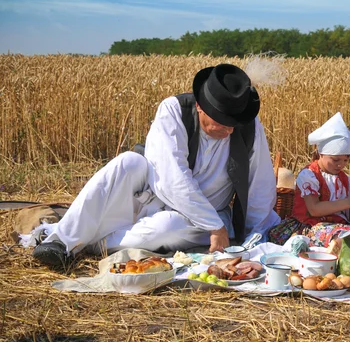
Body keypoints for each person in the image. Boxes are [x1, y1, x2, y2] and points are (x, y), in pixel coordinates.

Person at [31, 64, 281, 267]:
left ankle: (88, 241)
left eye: (232, 124)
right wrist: (215, 226)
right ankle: (60, 242)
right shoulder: (173, 110)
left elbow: (260, 181)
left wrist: (253, 236)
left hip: (197, 221)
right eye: (221, 122)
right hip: (151, 198)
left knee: (167, 227)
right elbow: (172, 179)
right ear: (200, 106)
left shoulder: (248, 126)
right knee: (128, 162)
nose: (228, 130)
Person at [268, 112, 350, 247]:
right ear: (321, 153)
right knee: (340, 235)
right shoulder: (310, 176)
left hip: (339, 224)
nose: (341, 165)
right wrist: (349, 202)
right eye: (335, 160)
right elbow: (314, 210)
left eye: (345, 160)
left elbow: (348, 214)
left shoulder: (344, 180)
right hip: (312, 226)